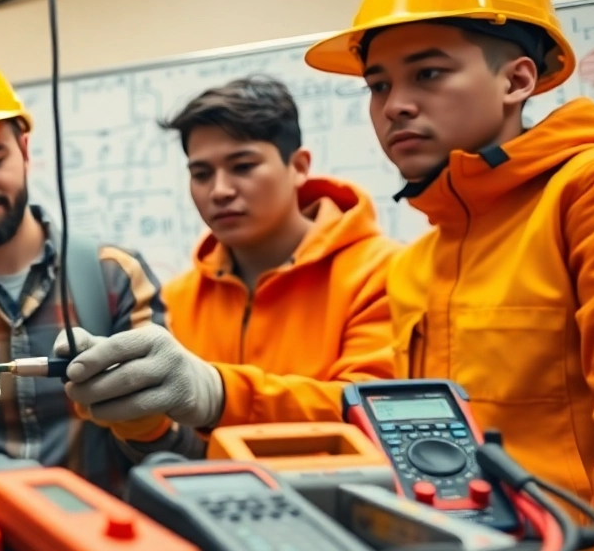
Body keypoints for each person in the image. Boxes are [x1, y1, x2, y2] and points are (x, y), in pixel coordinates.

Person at [303, 0, 594, 510]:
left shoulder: (581, 192)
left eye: (429, 73)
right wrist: (212, 391)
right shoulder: (417, 264)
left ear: (517, 82)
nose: (395, 106)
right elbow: (364, 408)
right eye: (379, 85)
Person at [0, 50, 187, 493]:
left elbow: (171, 462)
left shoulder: (116, 278)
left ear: (24, 149)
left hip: (111, 548)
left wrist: (145, 420)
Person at [49, 74, 399, 439]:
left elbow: (376, 412)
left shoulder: (383, 273)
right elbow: (178, 443)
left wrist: (220, 393)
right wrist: (133, 409)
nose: (219, 191)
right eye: (201, 174)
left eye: (243, 166)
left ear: (298, 167)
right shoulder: (177, 298)